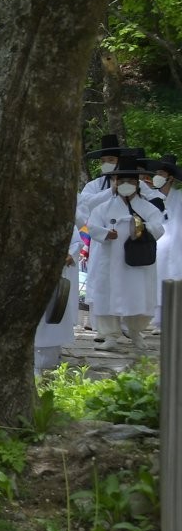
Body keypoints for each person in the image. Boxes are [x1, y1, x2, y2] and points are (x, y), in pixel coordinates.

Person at [87, 155, 166, 350]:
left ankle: (136, 332)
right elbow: (92, 226)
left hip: (138, 262)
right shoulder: (103, 208)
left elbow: (158, 227)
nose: (126, 184)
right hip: (111, 260)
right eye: (122, 181)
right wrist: (107, 234)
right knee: (108, 294)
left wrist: (140, 227)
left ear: (137, 184)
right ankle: (110, 336)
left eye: (131, 181)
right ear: (115, 182)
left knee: (139, 294)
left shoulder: (147, 207)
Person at [34, 226, 83, 374]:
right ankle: (32, 363)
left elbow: (76, 241)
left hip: (53, 271)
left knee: (51, 316)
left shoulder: (60, 215)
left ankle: (47, 361)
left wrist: (70, 255)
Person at [141, 154, 180, 331]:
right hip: (157, 245)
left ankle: (174, 319)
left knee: (174, 277)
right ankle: (157, 320)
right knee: (157, 280)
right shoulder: (151, 197)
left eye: (161, 173)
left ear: (170, 178)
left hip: (176, 247)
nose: (157, 176)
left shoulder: (179, 198)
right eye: (156, 173)